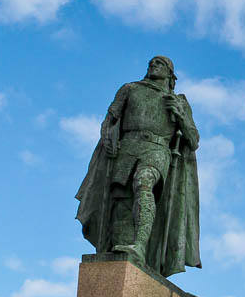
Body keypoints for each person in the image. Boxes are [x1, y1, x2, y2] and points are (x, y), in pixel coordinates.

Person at [75, 55, 201, 278]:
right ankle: (124, 252)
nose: (153, 65)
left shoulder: (178, 101)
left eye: (160, 63)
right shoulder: (130, 89)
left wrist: (180, 116)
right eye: (151, 63)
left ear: (170, 74)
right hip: (127, 147)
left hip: (157, 148)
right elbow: (110, 120)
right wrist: (107, 138)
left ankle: (140, 246)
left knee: (144, 182)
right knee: (122, 203)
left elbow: (193, 140)